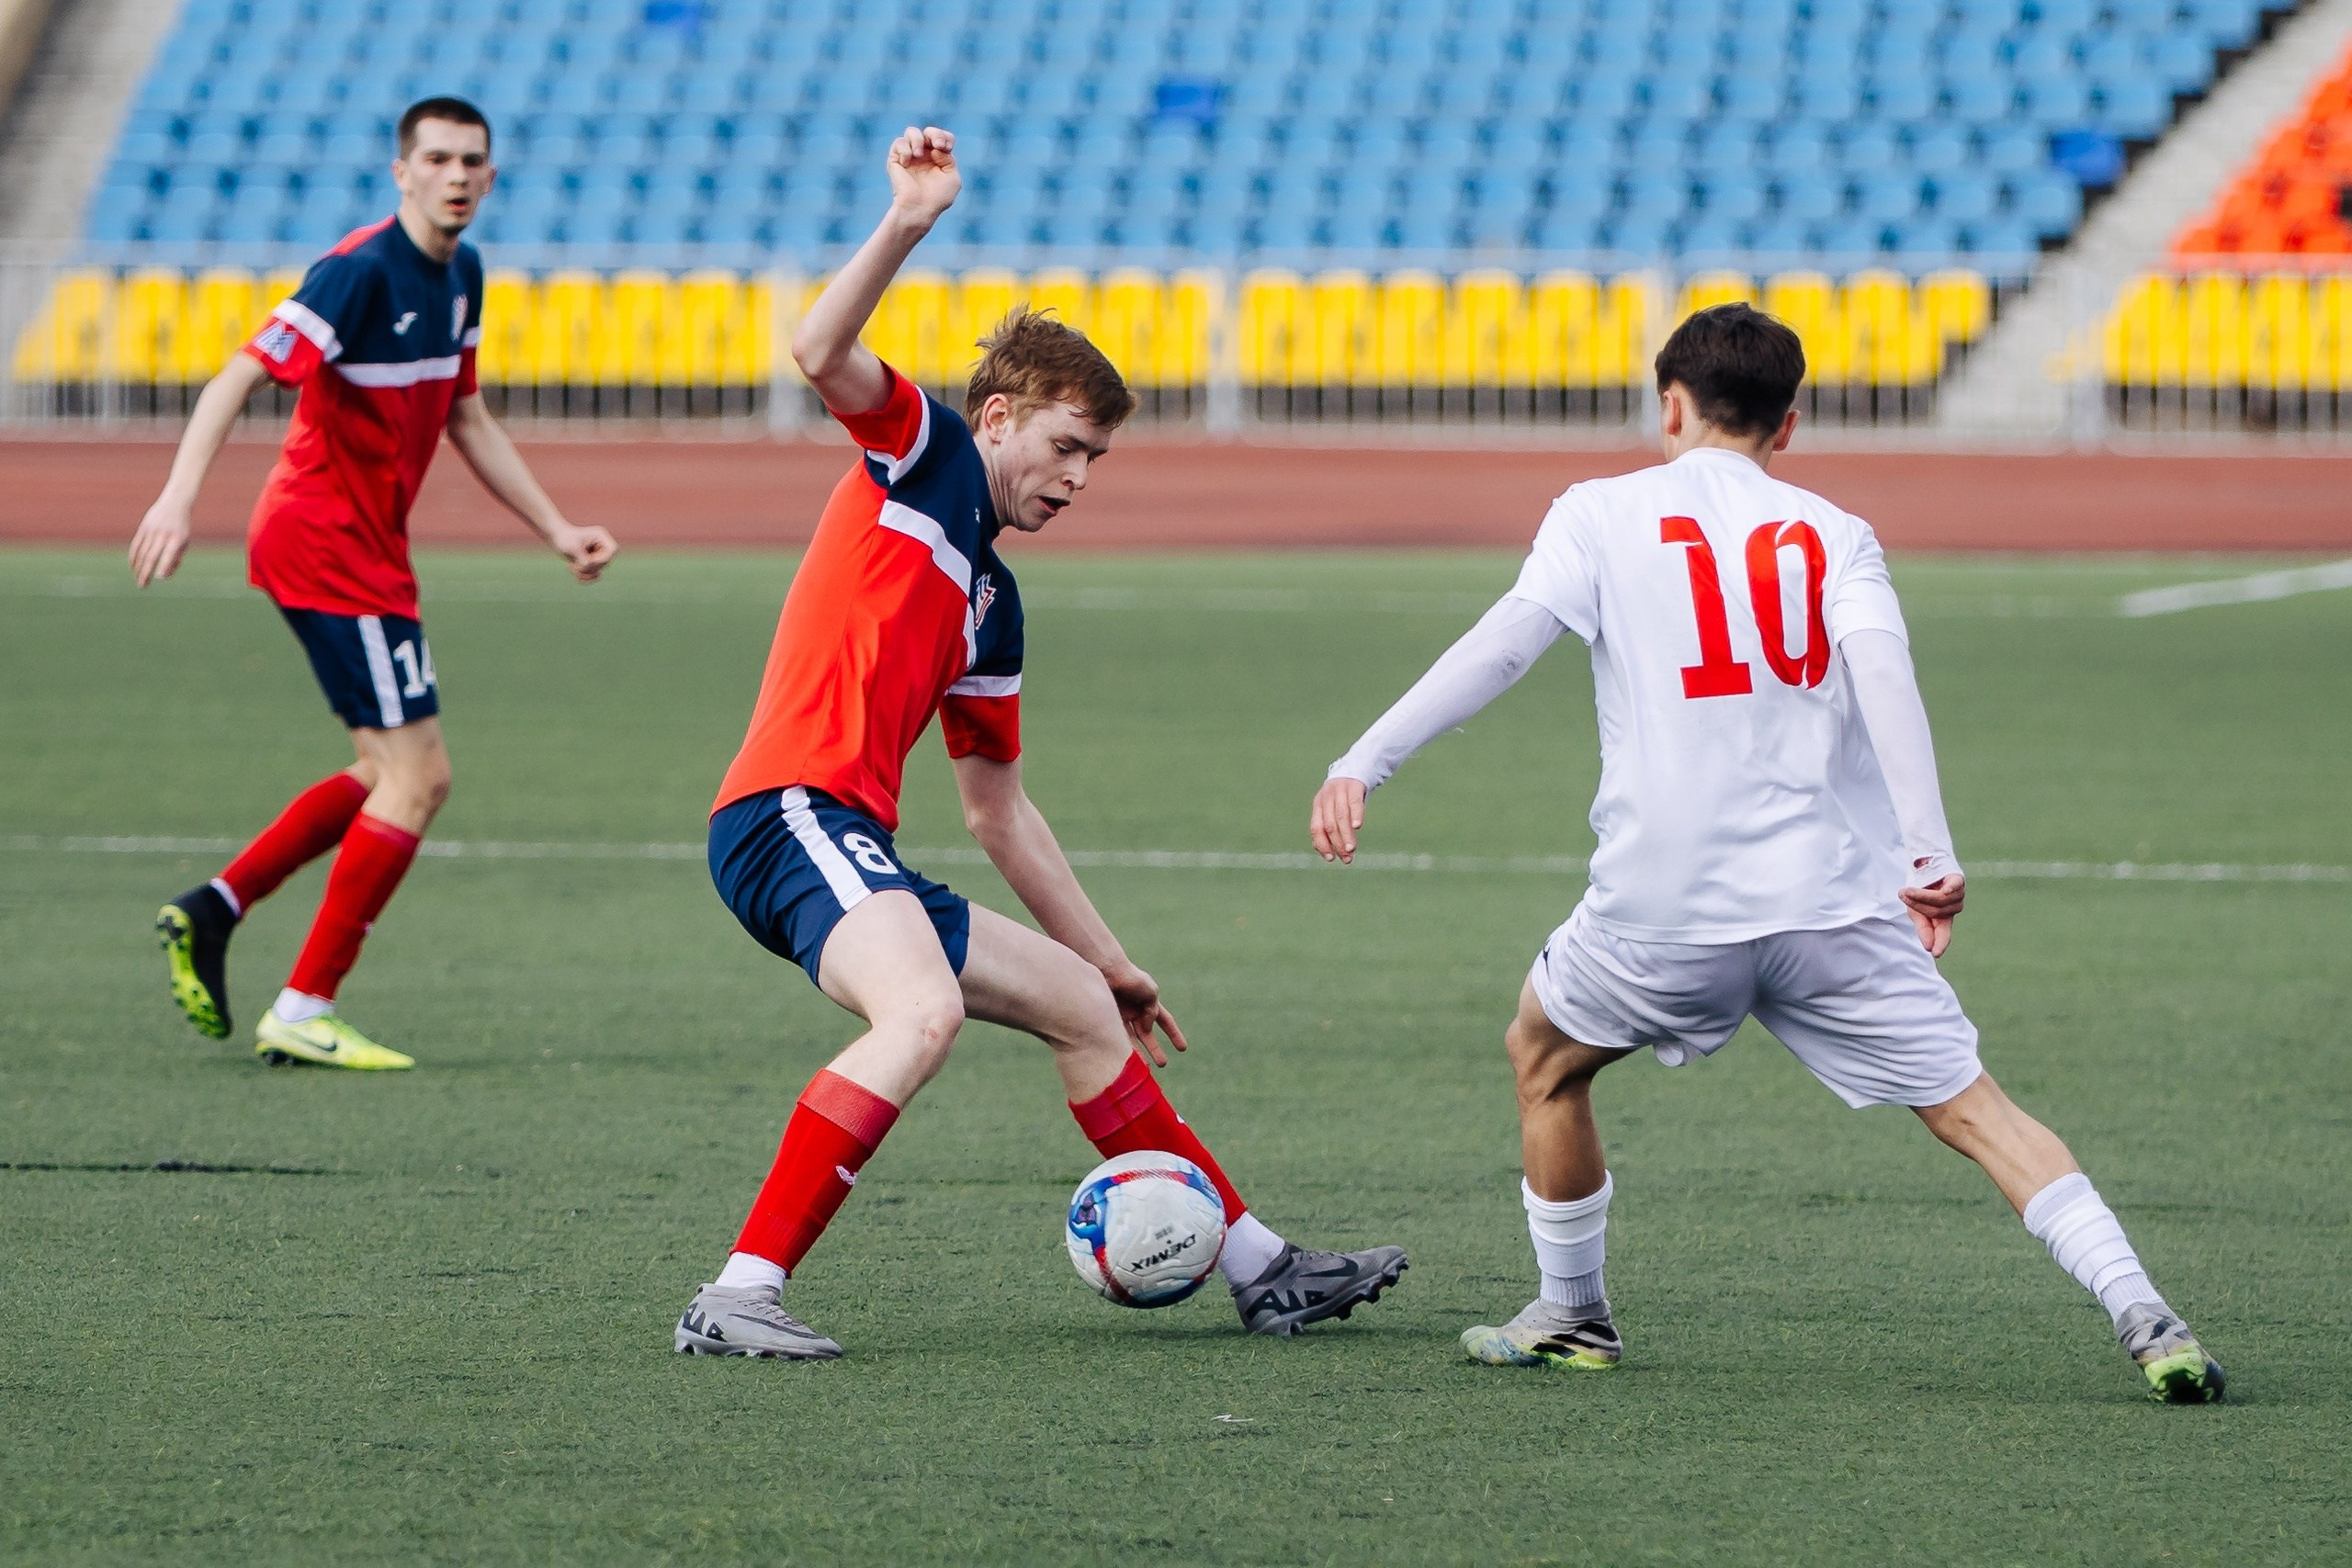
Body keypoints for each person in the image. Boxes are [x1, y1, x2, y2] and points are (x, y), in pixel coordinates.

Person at [1309, 303, 2222, 1404]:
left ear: (1670, 407)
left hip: (1663, 904)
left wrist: (1368, 756)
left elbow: (1507, 643)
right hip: (1829, 899)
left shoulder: (1598, 513)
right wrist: (1928, 857)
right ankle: (2147, 1315)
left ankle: (1572, 1314)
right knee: (1979, 1113)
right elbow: (1886, 680)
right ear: (1788, 426)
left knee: (1545, 1058)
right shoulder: (1833, 532)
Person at [676, 126, 1406, 1360]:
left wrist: (1113, 959)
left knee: (1079, 1010)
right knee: (918, 1017)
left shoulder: (992, 601)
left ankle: (1263, 1266)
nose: (1077, 476)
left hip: (853, 839)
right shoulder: (927, 459)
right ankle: (738, 1291)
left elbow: (999, 808)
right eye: (1066, 447)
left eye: (1097, 459)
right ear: (1001, 417)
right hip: (787, 814)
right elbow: (816, 351)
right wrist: (910, 219)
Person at [129, 97, 618, 1071]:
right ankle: (306, 1005)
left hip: (367, 551)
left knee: (379, 774)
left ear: (489, 175)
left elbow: (466, 417)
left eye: (472, 161)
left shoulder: (462, 274)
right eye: (436, 158)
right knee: (421, 777)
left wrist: (556, 525)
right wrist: (178, 498)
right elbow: (235, 377)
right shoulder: (357, 273)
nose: (455, 176)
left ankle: (212, 910)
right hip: (324, 546)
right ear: (402, 171)